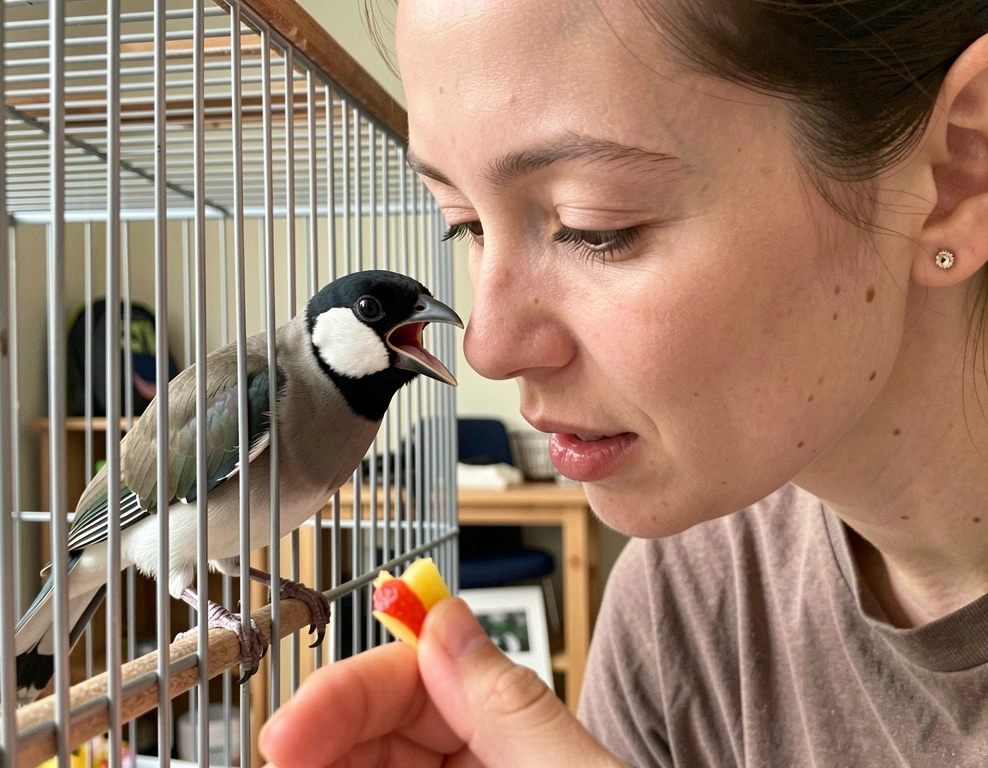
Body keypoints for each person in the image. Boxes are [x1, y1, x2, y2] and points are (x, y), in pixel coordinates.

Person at [260, 1, 988, 765]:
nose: (488, 347)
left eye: (593, 225)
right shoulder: (685, 608)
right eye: (466, 224)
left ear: (957, 170)